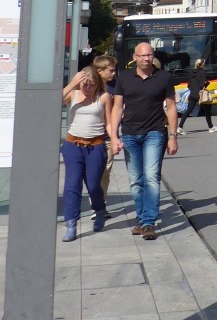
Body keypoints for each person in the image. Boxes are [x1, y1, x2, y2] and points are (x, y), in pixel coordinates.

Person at [110, 42, 179, 240]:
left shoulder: (164, 77)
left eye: (149, 55)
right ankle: (141, 219)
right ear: (134, 57)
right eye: (142, 56)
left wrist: (173, 137)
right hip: (130, 133)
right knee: (135, 180)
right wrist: (114, 136)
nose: (146, 59)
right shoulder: (124, 77)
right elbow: (117, 108)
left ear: (153, 56)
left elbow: (172, 107)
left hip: (154, 132)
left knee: (150, 176)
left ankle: (148, 222)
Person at [60, 66, 112, 242]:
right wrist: (73, 83)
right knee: (72, 185)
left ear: (98, 84)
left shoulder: (103, 97)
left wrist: (115, 139)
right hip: (72, 145)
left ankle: (99, 210)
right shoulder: (73, 94)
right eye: (84, 85)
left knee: (93, 185)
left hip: (95, 147)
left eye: (91, 85)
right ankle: (71, 223)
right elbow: (55, 100)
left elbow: (110, 123)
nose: (87, 88)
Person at [94, 54, 118, 201]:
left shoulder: (116, 86)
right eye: (111, 70)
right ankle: (96, 202)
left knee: (106, 172)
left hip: (109, 136)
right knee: (94, 172)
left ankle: (100, 204)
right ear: (100, 71)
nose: (114, 73)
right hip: (92, 136)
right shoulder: (90, 87)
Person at [178, 58, 217, 134]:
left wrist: (194, 89)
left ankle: (180, 127)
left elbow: (189, 85)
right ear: (202, 64)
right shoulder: (203, 72)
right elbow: (201, 85)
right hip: (200, 95)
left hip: (192, 94)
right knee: (207, 110)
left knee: (188, 111)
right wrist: (207, 83)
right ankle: (211, 128)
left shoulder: (191, 72)